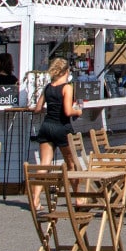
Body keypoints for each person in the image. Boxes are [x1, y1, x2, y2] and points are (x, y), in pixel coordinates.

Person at [30, 56, 82, 207]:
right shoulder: (67, 87)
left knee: (44, 165)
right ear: (66, 71)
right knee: (71, 164)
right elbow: (67, 111)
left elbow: (38, 109)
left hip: (47, 126)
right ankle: (78, 197)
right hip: (62, 128)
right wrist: (77, 112)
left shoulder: (48, 87)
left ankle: (35, 200)